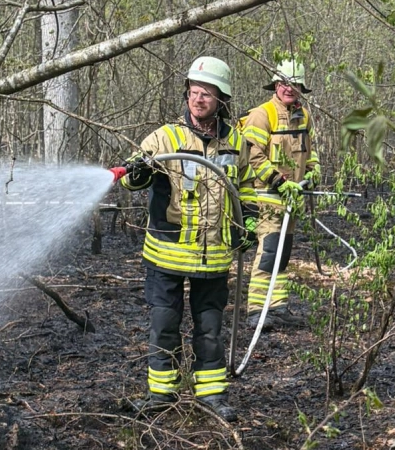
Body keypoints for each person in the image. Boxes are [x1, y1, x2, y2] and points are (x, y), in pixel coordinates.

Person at [108, 56, 258, 423]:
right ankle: (161, 395)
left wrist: (248, 225)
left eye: (206, 93)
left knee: (210, 331)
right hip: (167, 255)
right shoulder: (166, 138)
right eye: (194, 91)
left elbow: (247, 190)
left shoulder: (236, 143)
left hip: (215, 257)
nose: (198, 98)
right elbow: (130, 178)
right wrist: (140, 171)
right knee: (164, 326)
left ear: (222, 99)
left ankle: (211, 395)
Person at [239, 58, 320, 330]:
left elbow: (310, 151)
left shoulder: (304, 116)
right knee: (269, 252)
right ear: (275, 84)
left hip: (292, 198)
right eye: (284, 83)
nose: (289, 88)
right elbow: (253, 156)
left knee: (283, 254)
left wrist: (313, 172)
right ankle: (256, 310)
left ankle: (278, 306)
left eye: (294, 84)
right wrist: (278, 180)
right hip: (268, 196)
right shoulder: (262, 114)